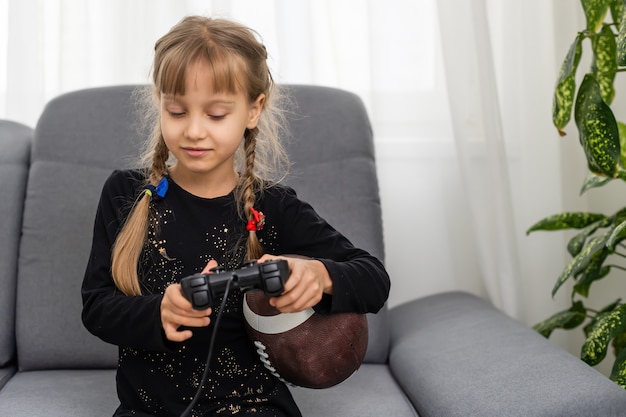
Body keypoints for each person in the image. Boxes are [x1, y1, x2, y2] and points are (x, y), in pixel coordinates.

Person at [81, 15, 390, 417]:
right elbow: (97, 308)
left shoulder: (272, 207)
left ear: (252, 110)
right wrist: (158, 312)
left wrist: (320, 276)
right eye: (176, 111)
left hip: (254, 408)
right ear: (159, 102)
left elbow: (373, 278)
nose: (193, 130)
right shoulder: (126, 193)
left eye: (215, 114)